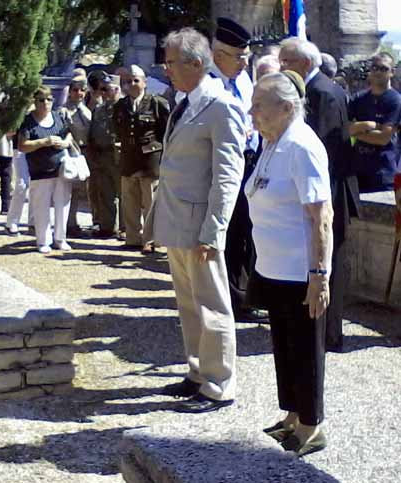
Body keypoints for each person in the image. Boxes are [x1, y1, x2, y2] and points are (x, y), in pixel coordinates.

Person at [154, 28, 246, 413]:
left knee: (212, 305)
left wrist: (214, 229)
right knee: (189, 305)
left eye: (172, 61)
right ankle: (197, 371)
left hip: (201, 225)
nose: (166, 68)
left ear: (196, 63)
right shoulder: (185, 101)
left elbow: (228, 174)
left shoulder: (220, 105)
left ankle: (219, 383)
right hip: (178, 220)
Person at [247, 71, 332, 457]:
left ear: (286, 107)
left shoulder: (301, 145)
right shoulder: (273, 142)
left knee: (305, 348)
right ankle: (294, 413)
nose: (253, 113)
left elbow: (321, 217)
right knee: (283, 345)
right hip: (273, 267)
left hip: (301, 270)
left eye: (259, 106)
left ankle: (313, 425)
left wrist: (319, 275)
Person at [279, 37, 359, 352]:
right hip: (327, 187)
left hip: (330, 189)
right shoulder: (319, 88)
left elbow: (322, 147)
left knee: (330, 261)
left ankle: (329, 333)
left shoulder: (322, 93)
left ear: (306, 64)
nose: (282, 68)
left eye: (288, 62)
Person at [209, 17, 263, 321]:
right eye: (240, 56)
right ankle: (229, 299)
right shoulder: (208, 85)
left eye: (247, 56)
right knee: (226, 234)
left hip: (250, 163)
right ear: (219, 56)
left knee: (246, 231)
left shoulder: (243, 79)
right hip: (223, 167)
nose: (245, 62)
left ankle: (244, 295)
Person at [113, 64, 170, 253]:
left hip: (150, 160)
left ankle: (151, 239)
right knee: (129, 201)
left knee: (151, 202)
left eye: (135, 80)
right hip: (129, 159)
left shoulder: (156, 103)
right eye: (128, 81)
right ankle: (133, 238)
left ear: (144, 82)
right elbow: (118, 129)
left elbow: (165, 133)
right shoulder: (120, 106)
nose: (131, 84)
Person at [18, 86, 74, 253]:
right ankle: (43, 241)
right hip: (39, 170)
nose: (45, 103)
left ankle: (60, 238)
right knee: (40, 206)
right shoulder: (28, 121)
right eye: (41, 100)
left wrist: (65, 143)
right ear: (34, 102)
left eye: (49, 99)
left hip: (61, 168)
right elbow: (22, 146)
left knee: (62, 204)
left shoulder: (58, 117)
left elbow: (68, 134)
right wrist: (44, 142)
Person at [348, 53, 401, 193]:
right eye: (374, 68)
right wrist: (367, 125)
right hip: (357, 170)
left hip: (383, 174)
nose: (377, 72)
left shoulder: (395, 101)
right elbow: (344, 129)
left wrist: (356, 132)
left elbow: (383, 138)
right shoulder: (359, 98)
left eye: (383, 68)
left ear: (392, 72)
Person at [88, 74, 123, 238]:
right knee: (105, 192)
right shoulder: (99, 109)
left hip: (119, 156)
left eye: (106, 89)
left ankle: (125, 228)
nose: (103, 93)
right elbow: (93, 131)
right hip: (101, 156)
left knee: (124, 194)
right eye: (101, 89)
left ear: (117, 89)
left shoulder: (124, 107)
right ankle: (107, 227)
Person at [59, 76, 92, 236]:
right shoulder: (64, 111)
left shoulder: (87, 110)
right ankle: (67, 222)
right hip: (71, 153)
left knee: (79, 190)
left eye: (82, 90)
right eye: (75, 90)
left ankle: (73, 221)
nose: (78, 93)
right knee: (68, 190)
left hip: (86, 152)